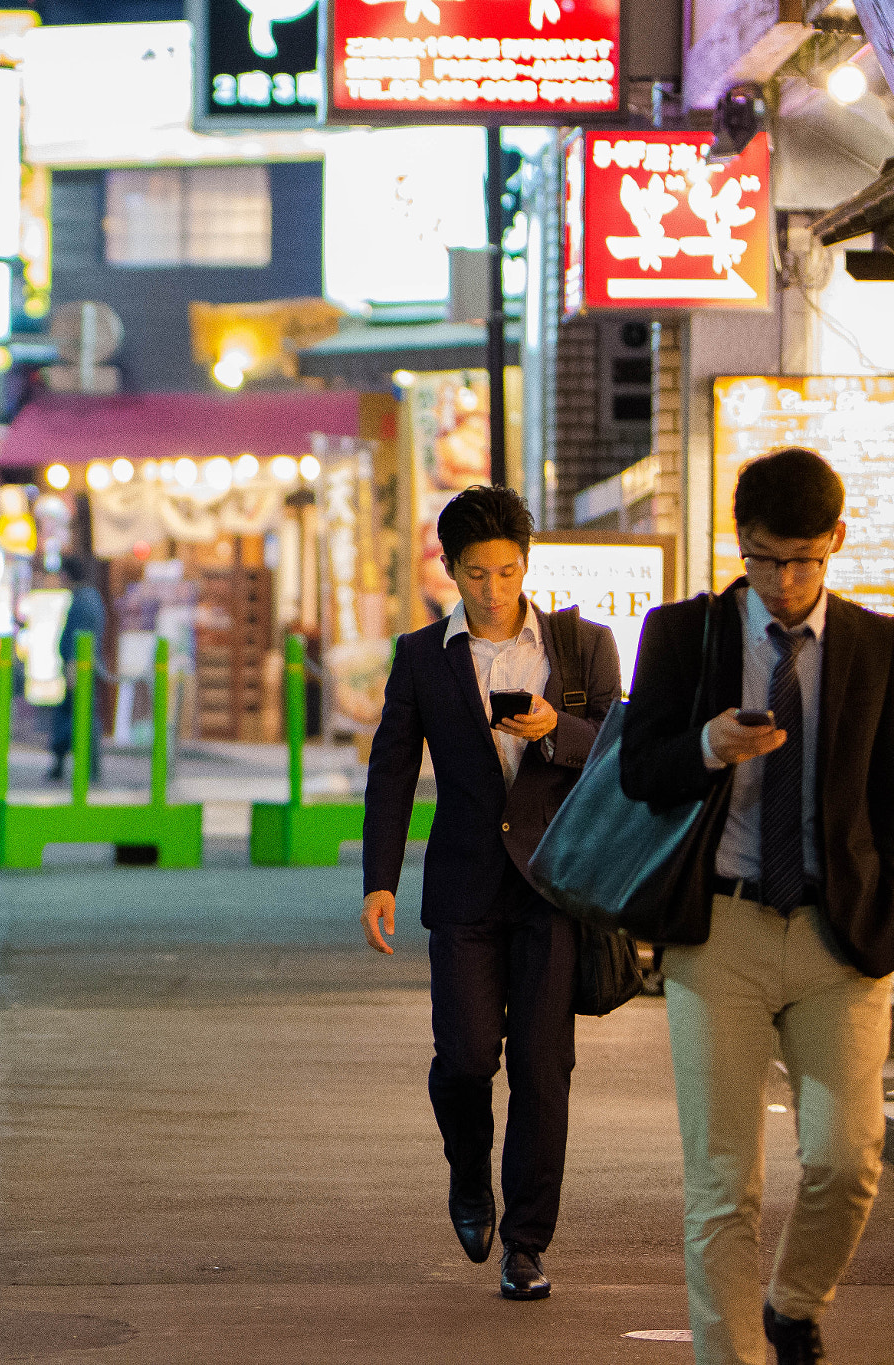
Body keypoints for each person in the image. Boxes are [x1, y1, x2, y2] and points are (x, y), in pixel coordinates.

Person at [621, 447, 894, 1365]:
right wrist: (703, 744)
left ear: (837, 544)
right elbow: (637, 772)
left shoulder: (877, 648)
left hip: (837, 933)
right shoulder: (682, 635)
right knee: (722, 1183)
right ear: (739, 543)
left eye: (807, 559)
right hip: (721, 928)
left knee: (847, 1156)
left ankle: (795, 1300)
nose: (786, 581)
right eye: (769, 558)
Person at [360, 485, 621, 1302]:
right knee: (467, 1057)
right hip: (466, 885)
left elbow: (624, 746)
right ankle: (469, 1174)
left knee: (544, 1071)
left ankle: (526, 1244)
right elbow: (392, 769)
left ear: (525, 566)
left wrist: (561, 733)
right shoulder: (421, 657)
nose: (495, 590)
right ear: (450, 570)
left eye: (509, 572)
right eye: (478, 574)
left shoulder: (581, 646)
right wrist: (379, 880)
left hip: (554, 885)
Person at [48, 557, 106, 783]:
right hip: (80, 667)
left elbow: (81, 637)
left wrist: (72, 666)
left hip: (80, 669)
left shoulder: (84, 600)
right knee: (77, 717)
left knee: (79, 718)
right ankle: (75, 766)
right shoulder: (87, 598)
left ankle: (87, 768)